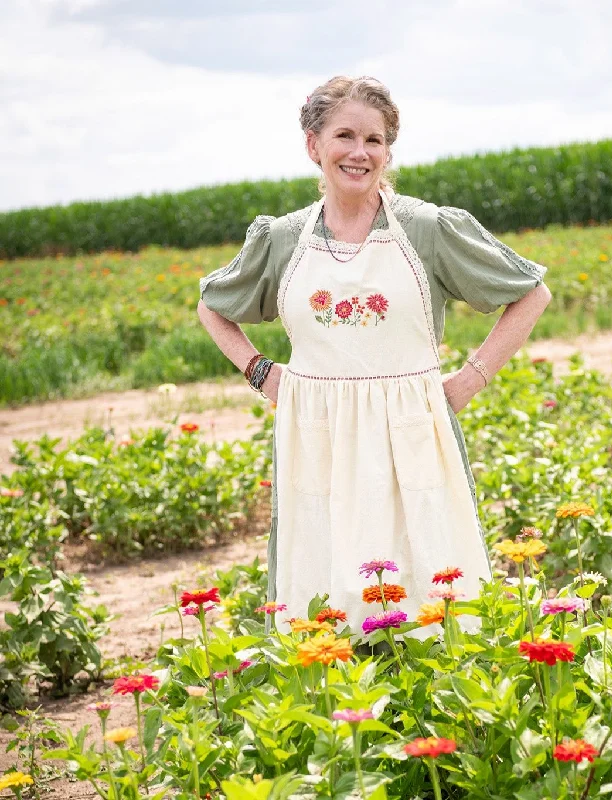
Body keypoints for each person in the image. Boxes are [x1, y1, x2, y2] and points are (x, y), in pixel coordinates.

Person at [197, 76, 551, 638]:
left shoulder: (428, 229)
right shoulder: (284, 239)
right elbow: (213, 305)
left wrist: (469, 379)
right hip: (317, 432)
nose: (360, 153)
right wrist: (262, 373)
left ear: (389, 150)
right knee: (322, 581)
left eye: (376, 140)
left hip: (411, 427)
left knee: (430, 580)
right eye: (344, 136)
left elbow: (532, 292)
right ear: (313, 145)